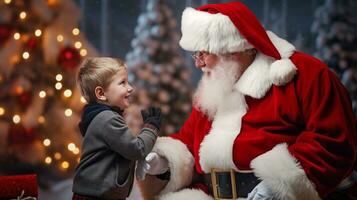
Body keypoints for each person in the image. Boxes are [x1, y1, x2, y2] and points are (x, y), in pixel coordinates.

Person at [135, 2, 357, 200]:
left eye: (203, 53)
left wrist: (280, 187)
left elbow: (334, 141)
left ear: (232, 49)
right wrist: (164, 162)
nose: (199, 64)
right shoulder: (215, 86)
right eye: (196, 55)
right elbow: (190, 141)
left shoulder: (307, 73)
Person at [72, 57, 162, 200]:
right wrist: (151, 128)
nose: (130, 88)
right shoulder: (107, 119)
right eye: (122, 83)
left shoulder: (102, 117)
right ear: (101, 94)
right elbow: (137, 149)